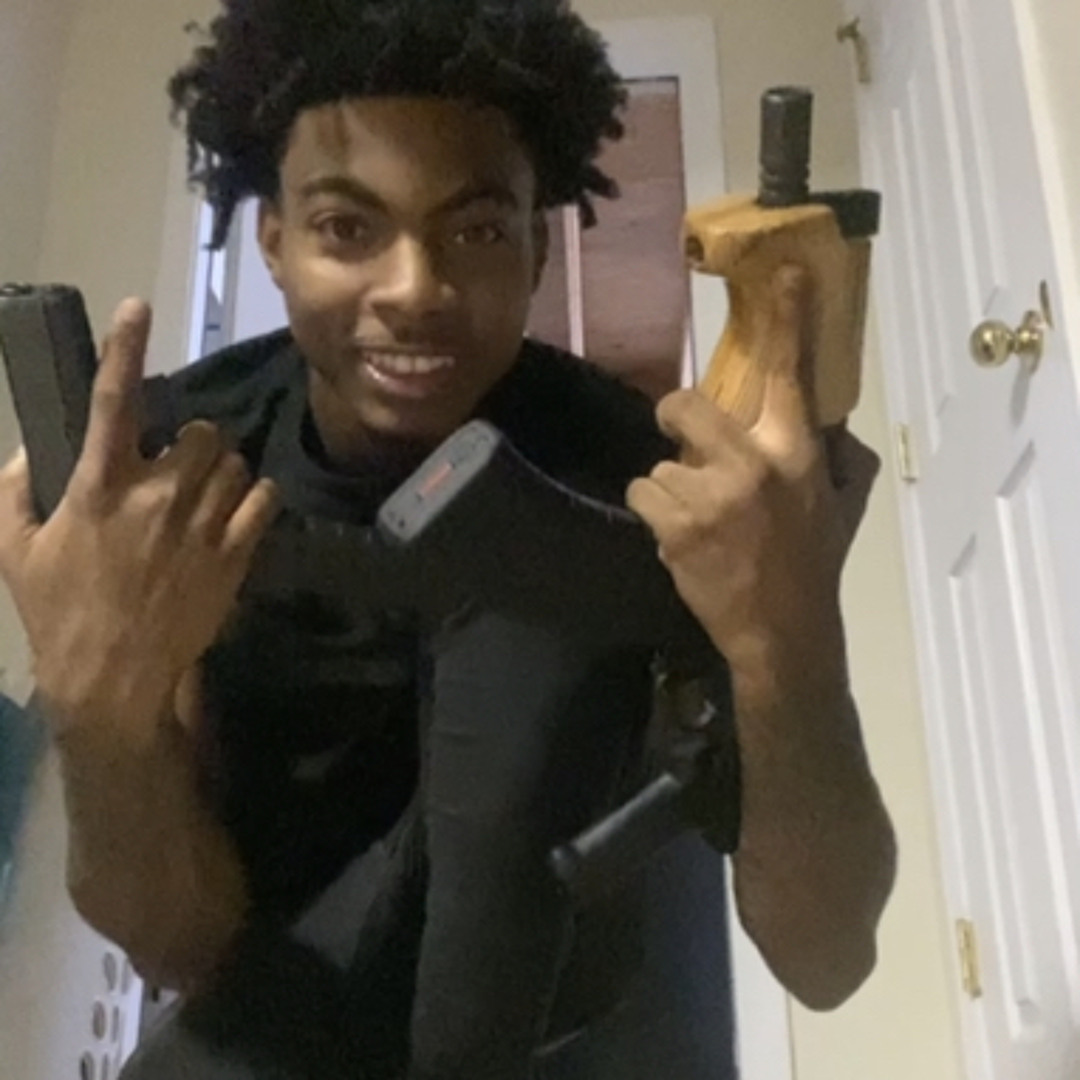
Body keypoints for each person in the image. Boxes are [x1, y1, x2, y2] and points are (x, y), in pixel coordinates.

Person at [0, 1, 897, 1077]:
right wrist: (102, 715)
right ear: (274, 243)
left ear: (537, 247)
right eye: (347, 228)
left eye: (475, 231)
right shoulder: (171, 481)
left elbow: (826, 956)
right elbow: (177, 941)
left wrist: (792, 647)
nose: (415, 289)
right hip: (288, 1034)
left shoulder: (656, 480)